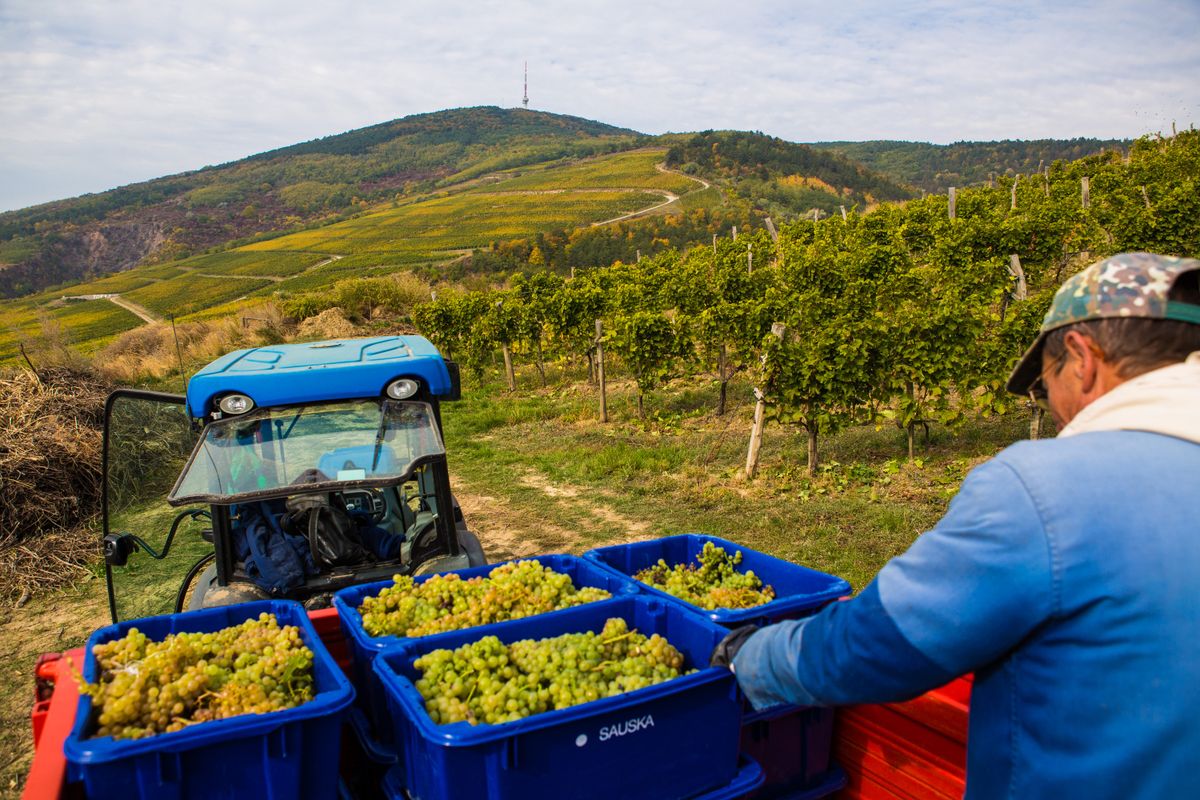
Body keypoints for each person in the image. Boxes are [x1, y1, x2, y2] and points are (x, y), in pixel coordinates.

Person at [713, 252, 1200, 799]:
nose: (1054, 409)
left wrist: (752, 658)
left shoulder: (1046, 490)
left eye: (1044, 386)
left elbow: (884, 645)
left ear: (1083, 359)